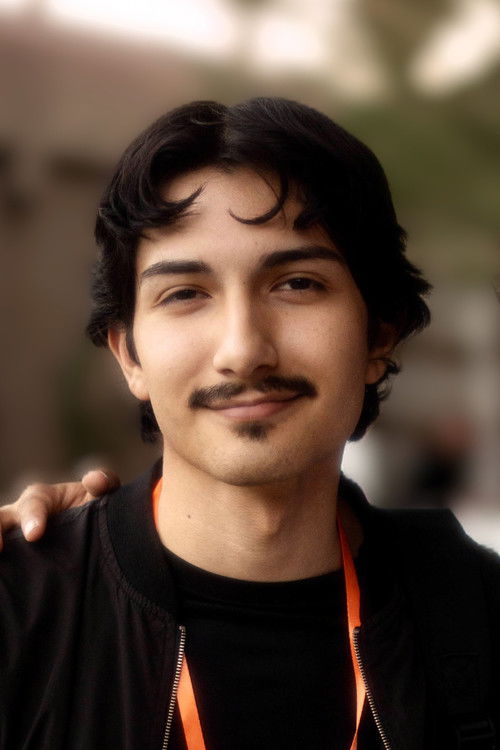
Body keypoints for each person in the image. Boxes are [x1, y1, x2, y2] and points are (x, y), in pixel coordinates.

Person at [0, 97, 498, 750]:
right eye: (185, 294)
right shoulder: (21, 613)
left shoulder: (479, 614)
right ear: (130, 356)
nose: (242, 349)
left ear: (379, 335)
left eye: (297, 284)